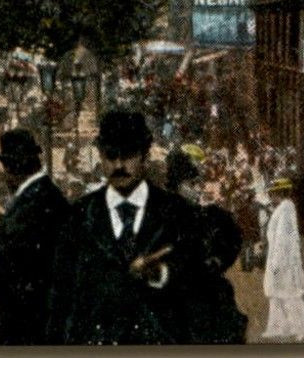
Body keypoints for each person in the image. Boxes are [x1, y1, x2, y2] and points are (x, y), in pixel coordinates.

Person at [47, 110, 200, 345]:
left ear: (144, 155)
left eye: (128, 155)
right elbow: (61, 300)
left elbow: (199, 288)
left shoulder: (178, 213)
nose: (119, 165)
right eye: (110, 155)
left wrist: (162, 274)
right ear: (100, 156)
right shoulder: (77, 217)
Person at [0, 129, 70, 345]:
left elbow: (10, 255)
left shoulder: (34, 201)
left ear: (13, 168)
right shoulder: (47, 193)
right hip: (38, 313)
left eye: (6, 168)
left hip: (29, 317)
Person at [165, 144, 247, 343]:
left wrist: (218, 260)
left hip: (206, 294)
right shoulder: (164, 215)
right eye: (191, 184)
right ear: (178, 185)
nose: (197, 188)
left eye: (197, 183)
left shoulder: (209, 215)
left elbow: (232, 237)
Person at [262, 177, 304, 341]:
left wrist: (277, 263)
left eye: (272, 193)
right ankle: (279, 326)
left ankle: (302, 326)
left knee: (288, 293)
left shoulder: (286, 209)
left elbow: (283, 239)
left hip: (283, 259)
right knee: (276, 293)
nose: (271, 197)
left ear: (278, 193)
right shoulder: (282, 208)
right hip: (277, 256)